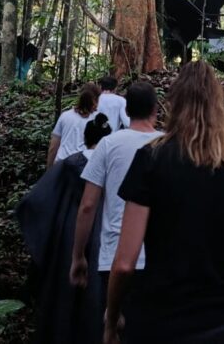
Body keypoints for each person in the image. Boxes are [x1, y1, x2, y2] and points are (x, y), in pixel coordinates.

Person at [106, 61, 224, 344]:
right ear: (219, 106)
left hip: (158, 323)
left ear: (174, 103)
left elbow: (124, 264)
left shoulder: (151, 160)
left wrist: (111, 319)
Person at [16, 114, 113, 343]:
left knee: (64, 287)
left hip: (69, 230)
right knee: (96, 289)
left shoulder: (71, 164)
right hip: (102, 231)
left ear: (85, 137)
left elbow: (40, 198)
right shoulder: (111, 164)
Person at [69, 81, 161, 297]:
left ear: (127, 110)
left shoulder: (108, 145)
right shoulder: (168, 145)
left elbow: (88, 205)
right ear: (156, 109)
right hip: (161, 258)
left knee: (113, 325)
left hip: (115, 255)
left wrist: (78, 255)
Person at [47, 82, 100, 166]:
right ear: (96, 100)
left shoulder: (65, 116)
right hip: (83, 166)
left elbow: (53, 147)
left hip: (61, 164)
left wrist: (49, 171)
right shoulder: (98, 119)